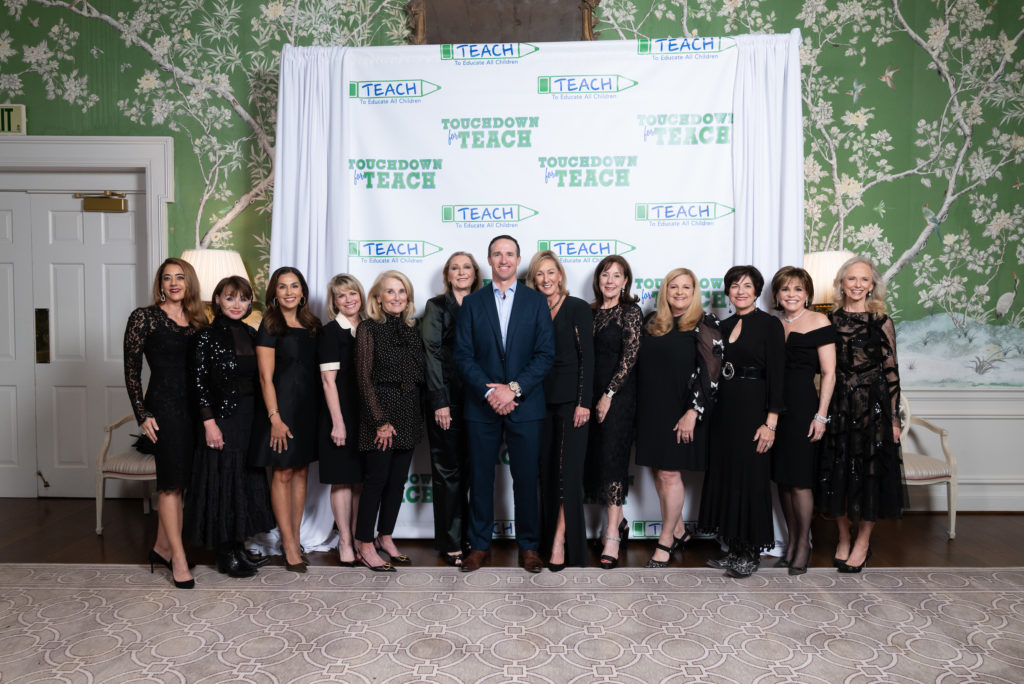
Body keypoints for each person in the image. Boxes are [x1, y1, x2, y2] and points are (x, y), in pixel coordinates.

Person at [454, 235, 555, 574]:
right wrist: (491, 393)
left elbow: (545, 355)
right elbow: (463, 356)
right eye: (497, 254)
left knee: (526, 479)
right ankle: (479, 545)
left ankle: (528, 546)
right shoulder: (472, 303)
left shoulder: (536, 302)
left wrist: (512, 390)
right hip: (481, 407)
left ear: (518, 258)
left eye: (509, 254)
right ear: (489, 259)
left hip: (525, 405)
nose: (503, 259)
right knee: (480, 478)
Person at [123, 257, 207, 589]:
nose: (174, 283)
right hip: (163, 410)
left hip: (194, 412)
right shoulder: (144, 317)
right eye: (167, 277)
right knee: (170, 484)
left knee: (183, 482)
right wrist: (142, 414)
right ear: (160, 283)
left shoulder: (199, 319)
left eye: (180, 277)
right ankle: (179, 558)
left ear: (189, 283)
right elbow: (131, 371)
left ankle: (160, 548)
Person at [817, 256, 903, 573]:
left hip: (874, 409)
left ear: (872, 285)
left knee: (870, 476)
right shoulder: (827, 320)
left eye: (863, 280)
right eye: (851, 279)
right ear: (841, 283)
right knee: (835, 473)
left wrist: (894, 420)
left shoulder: (882, 322)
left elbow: (891, 372)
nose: (857, 285)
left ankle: (863, 541)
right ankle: (843, 535)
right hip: (839, 407)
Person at [184, 276, 275, 578]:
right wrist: (209, 424)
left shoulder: (252, 333)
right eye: (230, 297)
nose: (237, 304)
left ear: (250, 303)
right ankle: (225, 554)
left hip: (250, 419)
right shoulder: (205, 337)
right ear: (218, 300)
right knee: (223, 482)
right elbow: (198, 385)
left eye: (243, 299)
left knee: (244, 482)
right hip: (221, 418)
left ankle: (239, 547)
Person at [699, 265, 785, 578]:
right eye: (735, 286)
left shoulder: (769, 325)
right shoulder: (723, 324)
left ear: (757, 290)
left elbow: (778, 376)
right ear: (728, 291)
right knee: (728, 476)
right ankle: (734, 548)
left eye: (747, 285)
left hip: (755, 408)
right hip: (726, 409)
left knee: (751, 478)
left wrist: (771, 422)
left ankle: (751, 553)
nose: (740, 291)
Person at [635, 268, 722, 568]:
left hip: (682, 410)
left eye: (686, 287)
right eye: (674, 286)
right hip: (651, 410)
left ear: (695, 291)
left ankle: (666, 540)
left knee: (670, 474)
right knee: (660, 473)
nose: (680, 292)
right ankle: (680, 529)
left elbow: (712, 373)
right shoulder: (652, 322)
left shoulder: (705, 323)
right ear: (665, 290)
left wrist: (693, 412)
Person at [353, 270, 426, 572]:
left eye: (401, 291)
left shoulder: (412, 329)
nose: (396, 297)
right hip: (380, 412)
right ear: (378, 298)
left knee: (396, 482)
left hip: (409, 412)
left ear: (407, 297)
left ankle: (386, 536)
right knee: (376, 481)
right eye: (390, 292)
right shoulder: (368, 329)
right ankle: (364, 543)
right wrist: (379, 421)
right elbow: (363, 378)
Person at [250, 267, 321, 572]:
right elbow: (265, 378)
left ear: (302, 291)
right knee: (282, 474)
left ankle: (293, 537)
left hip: (309, 408)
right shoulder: (269, 324)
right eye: (283, 287)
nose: (289, 291)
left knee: (302, 472)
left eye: (295, 286)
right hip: (280, 409)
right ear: (274, 293)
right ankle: (289, 544)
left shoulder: (313, 324)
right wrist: (275, 418)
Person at [527, 250, 594, 570]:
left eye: (550, 272)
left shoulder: (578, 307)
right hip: (537, 402)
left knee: (568, 475)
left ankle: (560, 541)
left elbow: (588, 360)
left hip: (572, 403)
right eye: (539, 274)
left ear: (560, 275)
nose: (545, 279)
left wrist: (584, 402)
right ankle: (545, 537)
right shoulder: (531, 308)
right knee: (547, 475)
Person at [769, 266, 837, 575]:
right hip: (773, 409)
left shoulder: (820, 321)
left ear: (807, 292)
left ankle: (804, 544)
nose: (792, 294)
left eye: (798, 289)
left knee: (800, 481)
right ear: (777, 295)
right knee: (782, 480)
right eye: (785, 289)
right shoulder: (772, 324)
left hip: (803, 408)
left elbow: (829, 373)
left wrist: (821, 416)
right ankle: (792, 541)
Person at [422, 252, 482, 567]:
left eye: (466, 267)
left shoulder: (485, 303)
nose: (461, 272)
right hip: (446, 399)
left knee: (474, 471)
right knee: (448, 472)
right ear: (448, 275)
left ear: (475, 273)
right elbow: (431, 352)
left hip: (480, 402)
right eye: (455, 267)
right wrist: (439, 400)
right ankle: (451, 540)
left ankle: (470, 535)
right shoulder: (436, 307)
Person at [587, 255, 643, 570]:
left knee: (612, 462)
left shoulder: (630, 312)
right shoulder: (590, 312)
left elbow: (630, 356)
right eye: (605, 275)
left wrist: (608, 395)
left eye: (616, 275)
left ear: (625, 282)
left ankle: (612, 534)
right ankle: (618, 521)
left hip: (618, 398)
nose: (610, 280)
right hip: (590, 397)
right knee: (596, 461)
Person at [318, 274, 367, 567]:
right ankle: (345, 541)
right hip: (341, 414)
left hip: (367, 415)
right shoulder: (329, 333)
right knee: (342, 481)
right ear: (334, 302)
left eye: (352, 294)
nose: (348, 300)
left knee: (362, 480)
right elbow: (328, 381)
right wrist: (338, 423)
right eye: (341, 296)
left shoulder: (370, 328)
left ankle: (362, 538)